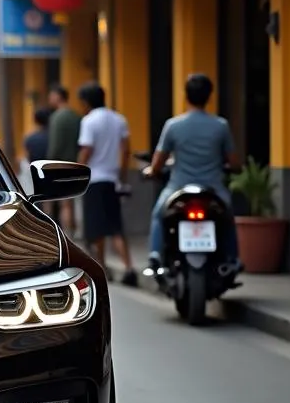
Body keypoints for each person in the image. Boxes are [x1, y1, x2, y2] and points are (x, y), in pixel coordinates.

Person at [147, 73, 240, 271]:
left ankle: (155, 255)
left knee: (158, 215)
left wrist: (152, 171)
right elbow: (233, 161)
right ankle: (232, 258)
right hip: (213, 189)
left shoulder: (173, 125)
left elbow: (158, 162)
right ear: (209, 97)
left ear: (185, 96)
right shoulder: (220, 126)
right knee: (228, 216)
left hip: (177, 187)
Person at [77, 82, 137, 285]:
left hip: (93, 180)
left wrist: (76, 172)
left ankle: (102, 268)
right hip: (112, 180)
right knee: (116, 226)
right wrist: (122, 176)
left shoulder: (89, 121)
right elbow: (126, 150)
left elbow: (86, 150)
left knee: (96, 229)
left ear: (86, 102)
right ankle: (129, 267)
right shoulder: (119, 119)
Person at [46, 85, 81, 236]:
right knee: (71, 201)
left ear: (58, 96)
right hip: (76, 163)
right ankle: (73, 230)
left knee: (63, 203)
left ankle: (66, 235)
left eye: (51, 95)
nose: (49, 99)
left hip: (60, 164)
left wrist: (48, 164)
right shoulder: (76, 116)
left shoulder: (57, 117)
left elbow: (55, 144)